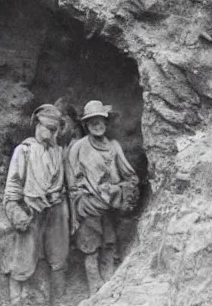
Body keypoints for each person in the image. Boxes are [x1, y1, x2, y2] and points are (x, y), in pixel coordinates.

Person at [2, 104, 71, 306]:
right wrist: (14, 208)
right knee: (25, 252)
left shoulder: (58, 152)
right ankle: (15, 298)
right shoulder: (24, 150)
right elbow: (13, 183)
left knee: (58, 253)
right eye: (46, 127)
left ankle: (58, 299)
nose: (49, 133)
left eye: (54, 129)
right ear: (37, 124)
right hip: (31, 206)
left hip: (56, 206)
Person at [68, 100, 139, 297]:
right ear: (86, 125)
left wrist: (116, 189)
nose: (97, 125)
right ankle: (94, 291)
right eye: (92, 122)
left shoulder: (114, 147)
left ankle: (108, 286)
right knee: (90, 248)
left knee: (109, 244)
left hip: (110, 207)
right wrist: (81, 200)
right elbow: (71, 181)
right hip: (87, 206)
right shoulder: (78, 148)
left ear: (106, 124)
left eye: (100, 121)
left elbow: (131, 177)